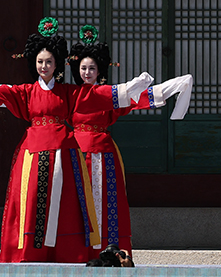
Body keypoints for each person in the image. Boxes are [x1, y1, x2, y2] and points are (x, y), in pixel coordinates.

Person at [0, 17, 153, 263]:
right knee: (31, 204)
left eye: (49, 62)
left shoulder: (68, 93)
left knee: (68, 206)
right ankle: (30, 253)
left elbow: (96, 96)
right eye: (40, 61)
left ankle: (67, 252)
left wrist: (128, 88)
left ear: (56, 64)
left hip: (65, 153)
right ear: (34, 63)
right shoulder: (26, 92)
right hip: (33, 153)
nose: (44, 66)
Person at [67, 24, 192, 259]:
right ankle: (76, 251)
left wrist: (169, 88)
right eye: (83, 67)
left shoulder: (109, 94)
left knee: (107, 203)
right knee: (76, 203)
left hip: (104, 153)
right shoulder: (70, 95)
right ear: (77, 69)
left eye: (92, 68)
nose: (87, 72)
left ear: (99, 69)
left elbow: (136, 98)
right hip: (75, 154)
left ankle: (109, 251)